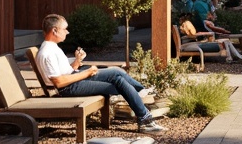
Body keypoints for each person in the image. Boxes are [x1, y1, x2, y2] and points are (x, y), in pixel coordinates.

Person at [37, 14, 165, 133]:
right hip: (68, 88)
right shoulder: (47, 52)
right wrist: (88, 73)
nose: (67, 32)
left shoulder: (53, 47)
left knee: (116, 74)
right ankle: (144, 113)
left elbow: (66, 71)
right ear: (54, 30)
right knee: (118, 79)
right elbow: (59, 82)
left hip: (73, 80)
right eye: (65, 29)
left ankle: (142, 100)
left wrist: (77, 61)